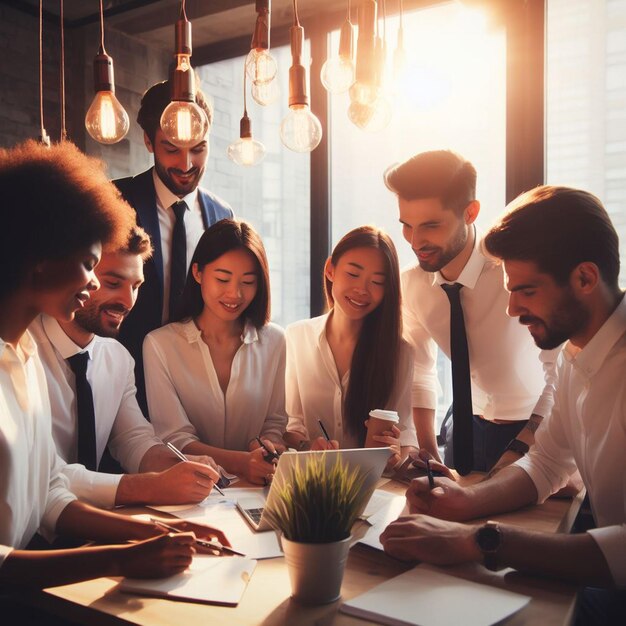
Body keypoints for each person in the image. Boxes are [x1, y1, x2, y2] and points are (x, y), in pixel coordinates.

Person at [381, 186, 626, 624]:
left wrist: (481, 541)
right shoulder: (577, 357)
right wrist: (465, 503)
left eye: (527, 291)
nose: (512, 309)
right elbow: (547, 463)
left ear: (585, 279)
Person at [0, 140, 228, 599]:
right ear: (38, 259)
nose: (91, 282)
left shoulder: (22, 359)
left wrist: (147, 533)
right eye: (90, 265)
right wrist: (122, 556)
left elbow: (49, 494)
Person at [384, 150, 557, 474]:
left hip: (534, 426)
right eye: (407, 226)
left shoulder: (514, 270)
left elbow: (558, 374)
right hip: (461, 425)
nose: (416, 241)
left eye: (431, 225)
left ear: (471, 212)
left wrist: (525, 444)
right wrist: (428, 450)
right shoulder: (411, 285)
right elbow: (421, 372)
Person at [30, 226, 220, 509]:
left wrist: (177, 465)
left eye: (136, 286)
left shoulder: (118, 358)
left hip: (89, 526)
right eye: (113, 283)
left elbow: (133, 439)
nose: (128, 301)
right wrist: (149, 487)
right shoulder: (22, 350)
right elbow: (42, 475)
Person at [114, 80, 233, 414]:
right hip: (125, 378)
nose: (186, 164)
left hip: (195, 387)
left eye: (198, 148)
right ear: (149, 142)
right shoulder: (114, 201)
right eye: (171, 149)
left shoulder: (222, 215)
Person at [143, 219, 286, 486]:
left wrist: (269, 445)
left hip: (259, 487)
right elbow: (174, 438)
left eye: (248, 281)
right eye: (222, 278)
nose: (235, 293)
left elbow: (275, 422)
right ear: (198, 273)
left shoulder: (275, 341)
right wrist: (242, 462)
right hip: (193, 489)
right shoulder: (160, 345)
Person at [284, 225, 418, 470]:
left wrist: (398, 454)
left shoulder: (400, 353)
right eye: (353, 274)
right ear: (330, 270)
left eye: (377, 282)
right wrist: (308, 446)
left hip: (371, 485)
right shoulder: (295, 337)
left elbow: (406, 433)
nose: (362, 290)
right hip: (314, 479)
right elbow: (290, 425)